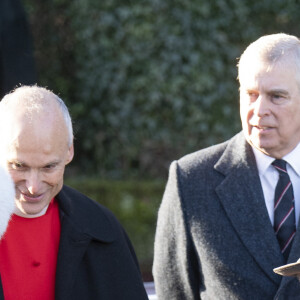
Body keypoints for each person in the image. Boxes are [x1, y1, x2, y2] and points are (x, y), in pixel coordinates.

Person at [153, 33, 300, 299]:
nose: (259, 110)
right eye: (251, 94)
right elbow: (174, 293)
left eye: (276, 96)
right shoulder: (191, 179)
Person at [0, 85, 148, 300]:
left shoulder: (102, 227)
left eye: (49, 167)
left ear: (69, 152)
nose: (33, 186)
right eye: (18, 166)